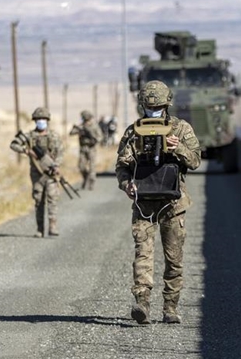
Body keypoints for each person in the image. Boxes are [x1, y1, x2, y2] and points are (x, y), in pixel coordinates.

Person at [115, 80, 201, 324]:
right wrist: (127, 184)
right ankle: (142, 303)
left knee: (174, 258)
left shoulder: (181, 128)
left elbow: (195, 161)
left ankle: (170, 308)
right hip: (144, 204)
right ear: (142, 106)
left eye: (158, 107)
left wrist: (178, 148)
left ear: (167, 105)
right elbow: (121, 166)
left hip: (173, 205)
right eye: (149, 107)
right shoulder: (133, 132)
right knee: (143, 254)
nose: (153, 111)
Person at [11, 107, 63, 237]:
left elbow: (60, 153)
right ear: (34, 121)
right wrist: (27, 151)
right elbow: (14, 145)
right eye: (38, 119)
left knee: (52, 199)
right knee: (39, 200)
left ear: (47, 120)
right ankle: (40, 229)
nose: (41, 121)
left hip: (50, 172)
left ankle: (53, 226)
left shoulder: (54, 136)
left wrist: (56, 165)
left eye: (43, 119)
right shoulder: (29, 136)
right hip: (37, 173)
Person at [69, 110, 104, 190]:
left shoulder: (94, 126)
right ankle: (85, 178)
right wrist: (77, 128)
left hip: (91, 148)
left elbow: (100, 137)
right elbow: (71, 133)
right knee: (81, 166)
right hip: (83, 148)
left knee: (92, 167)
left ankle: (91, 183)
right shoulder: (81, 126)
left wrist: (94, 140)